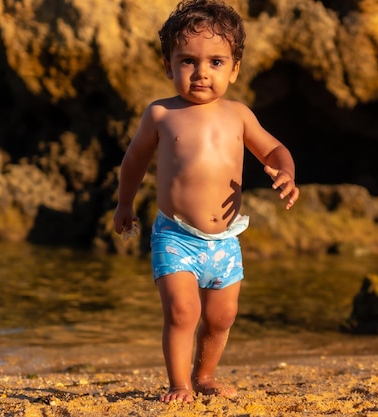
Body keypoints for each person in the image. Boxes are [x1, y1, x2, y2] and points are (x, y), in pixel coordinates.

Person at [112, 0, 300, 404]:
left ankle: (205, 375)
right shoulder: (161, 114)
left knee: (221, 317)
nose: (201, 73)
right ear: (168, 65)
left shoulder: (239, 115)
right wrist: (124, 205)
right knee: (182, 311)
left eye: (215, 62)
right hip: (176, 236)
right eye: (187, 61)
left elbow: (274, 150)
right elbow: (133, 163)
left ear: (233, 70)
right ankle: (179, 384)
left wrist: (286, 172)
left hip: (226, 240)